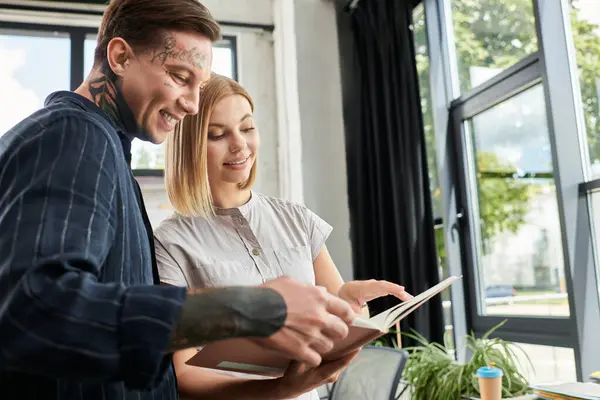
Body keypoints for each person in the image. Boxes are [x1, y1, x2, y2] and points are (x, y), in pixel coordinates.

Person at [0, 1, 357, 399]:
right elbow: (35, 313)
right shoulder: (75, 136)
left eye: (198, 87)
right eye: (178, 76)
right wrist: (251, 309)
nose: (191, 104)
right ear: (119, 56)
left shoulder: (104, 153)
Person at [154, 74, 414, 399]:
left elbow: (341, 318)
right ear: (188, 145)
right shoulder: (170, 242)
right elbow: (184, 373)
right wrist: (278, 389)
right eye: (217, 134)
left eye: (247, 128)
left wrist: (349, 303)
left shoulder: (296, 219)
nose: (240, 144)